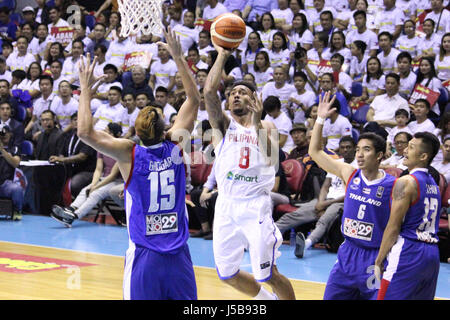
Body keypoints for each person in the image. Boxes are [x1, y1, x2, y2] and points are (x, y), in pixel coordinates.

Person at [64, 28, 200, 300]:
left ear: (136, 133)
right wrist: (177, 56)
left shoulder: (129, 153)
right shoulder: (175, 145)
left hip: (145, 257)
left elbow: (84, 132)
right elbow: (194, 99)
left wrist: (85, 93)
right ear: (165, 130)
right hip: (179, 257)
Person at [204, 39, 296, 300]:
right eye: (233, 92)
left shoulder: (267, 127)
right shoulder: (223, 125)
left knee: (269, 274)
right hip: (226, 204)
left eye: (243, 92)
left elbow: (270, 158)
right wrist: (222, 55)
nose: (235, 95)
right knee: (227, 273)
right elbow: (210, 93)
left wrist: (255, 121)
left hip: (255, 206)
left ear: (256, 99)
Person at [309, 92, 396, 300]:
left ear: (379, 156)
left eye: (366, 150)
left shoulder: (394, 185)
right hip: (348, 253)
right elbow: (315, 152)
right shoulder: (350, 174)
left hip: (374, 257)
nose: (359, 154)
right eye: (358, 149)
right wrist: (320, 119)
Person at [375, 132, 441, 300]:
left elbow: (393, 226)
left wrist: (379, 260)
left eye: (411, 147)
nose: (405, 150)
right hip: (432, 254)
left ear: (423, 156)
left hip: (408, 250)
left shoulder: (406, 182)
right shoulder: (434, 184)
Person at [294, 135, 357, 258]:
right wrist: (320, 202)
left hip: (341, 201)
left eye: (348, 147)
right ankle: (272, 236)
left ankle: (306, 244)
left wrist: (324, 205)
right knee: (294, 214)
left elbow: (351, 194)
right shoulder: (336, 163)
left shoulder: (358, 166)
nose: (345, 150)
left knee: (324, 219)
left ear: (355, 148)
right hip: (325, 199)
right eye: (342, 147)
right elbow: (325, 186)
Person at [51, 122, 123, 227]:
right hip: (103, 179)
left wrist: (96, 187)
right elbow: (98, 169)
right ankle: (70, 209)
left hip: (117, 181)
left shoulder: (121, 149)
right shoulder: (101, 147)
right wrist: (93, 184)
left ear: (113, 134)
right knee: (85, 190)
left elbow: (113, 175)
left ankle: (73, 217)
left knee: (95, 193)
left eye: (106, 130)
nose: (103, 132)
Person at [49, 112, 97, 198]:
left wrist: (63, 160)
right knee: (51, 177)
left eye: (79, 119)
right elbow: (61, 153)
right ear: (71, 123)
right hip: (70, 168)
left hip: (86, 171)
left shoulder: (89, 136)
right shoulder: (68, 135)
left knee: (74, 184)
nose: (77, 122)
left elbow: (82, 156)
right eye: (75, 120)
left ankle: (77, 205)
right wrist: (60, 158)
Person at [0, 124, 23, 221]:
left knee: (17, 189)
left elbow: (16, 163)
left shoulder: (14, 148)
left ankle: (17, 211)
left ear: (10, 134)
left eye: (6, 133)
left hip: (5, 184)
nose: (4, 135)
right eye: (1, 134)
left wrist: (2, 151)